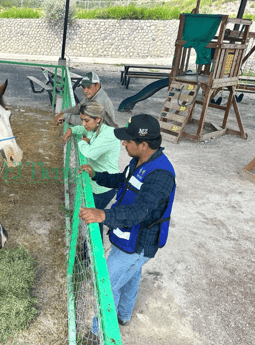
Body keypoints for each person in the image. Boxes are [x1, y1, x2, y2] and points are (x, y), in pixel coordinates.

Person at [78, 114, 176, 341]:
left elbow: (140, 212)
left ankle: (96, 334)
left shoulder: (161, 175)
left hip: (139, 243)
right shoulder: (138, 160)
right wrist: (97, 175)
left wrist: (103, 214)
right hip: (128, 237)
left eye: (128, 141)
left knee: (106, 287)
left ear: (143, 144)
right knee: (131, 275)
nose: (123, 143)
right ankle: (123, 315)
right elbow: (122, 181)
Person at [62, 100, 121, 242]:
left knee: (95, 218)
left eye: (86, 120)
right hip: (97, 180)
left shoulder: (108, 134)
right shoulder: (97, 127)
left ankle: (94, 252)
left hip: (104, 185)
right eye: (82, 120)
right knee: (93, 215)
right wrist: (73, 130)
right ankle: (90, 248)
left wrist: (83, 140)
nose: (83, 124)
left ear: (98, 119)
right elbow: (83, 130)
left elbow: (89, 153)